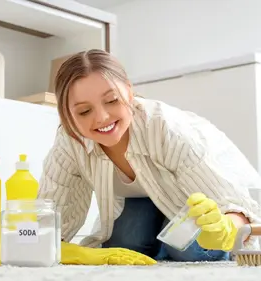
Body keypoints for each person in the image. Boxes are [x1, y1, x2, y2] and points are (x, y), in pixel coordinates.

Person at [38, 49, 261, 265]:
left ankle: (170, 239)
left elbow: (234, 206)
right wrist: (80, 255)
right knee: (125, 244)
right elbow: (45, 227)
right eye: (84, 111)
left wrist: (226, 229)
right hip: (139, 200)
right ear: (66, 113)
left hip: (191, 194)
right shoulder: (70, 141)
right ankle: (161, 233)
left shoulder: (166, 128)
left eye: (112, 100)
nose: (102, 118)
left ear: (129, 90)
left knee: (188, 249)